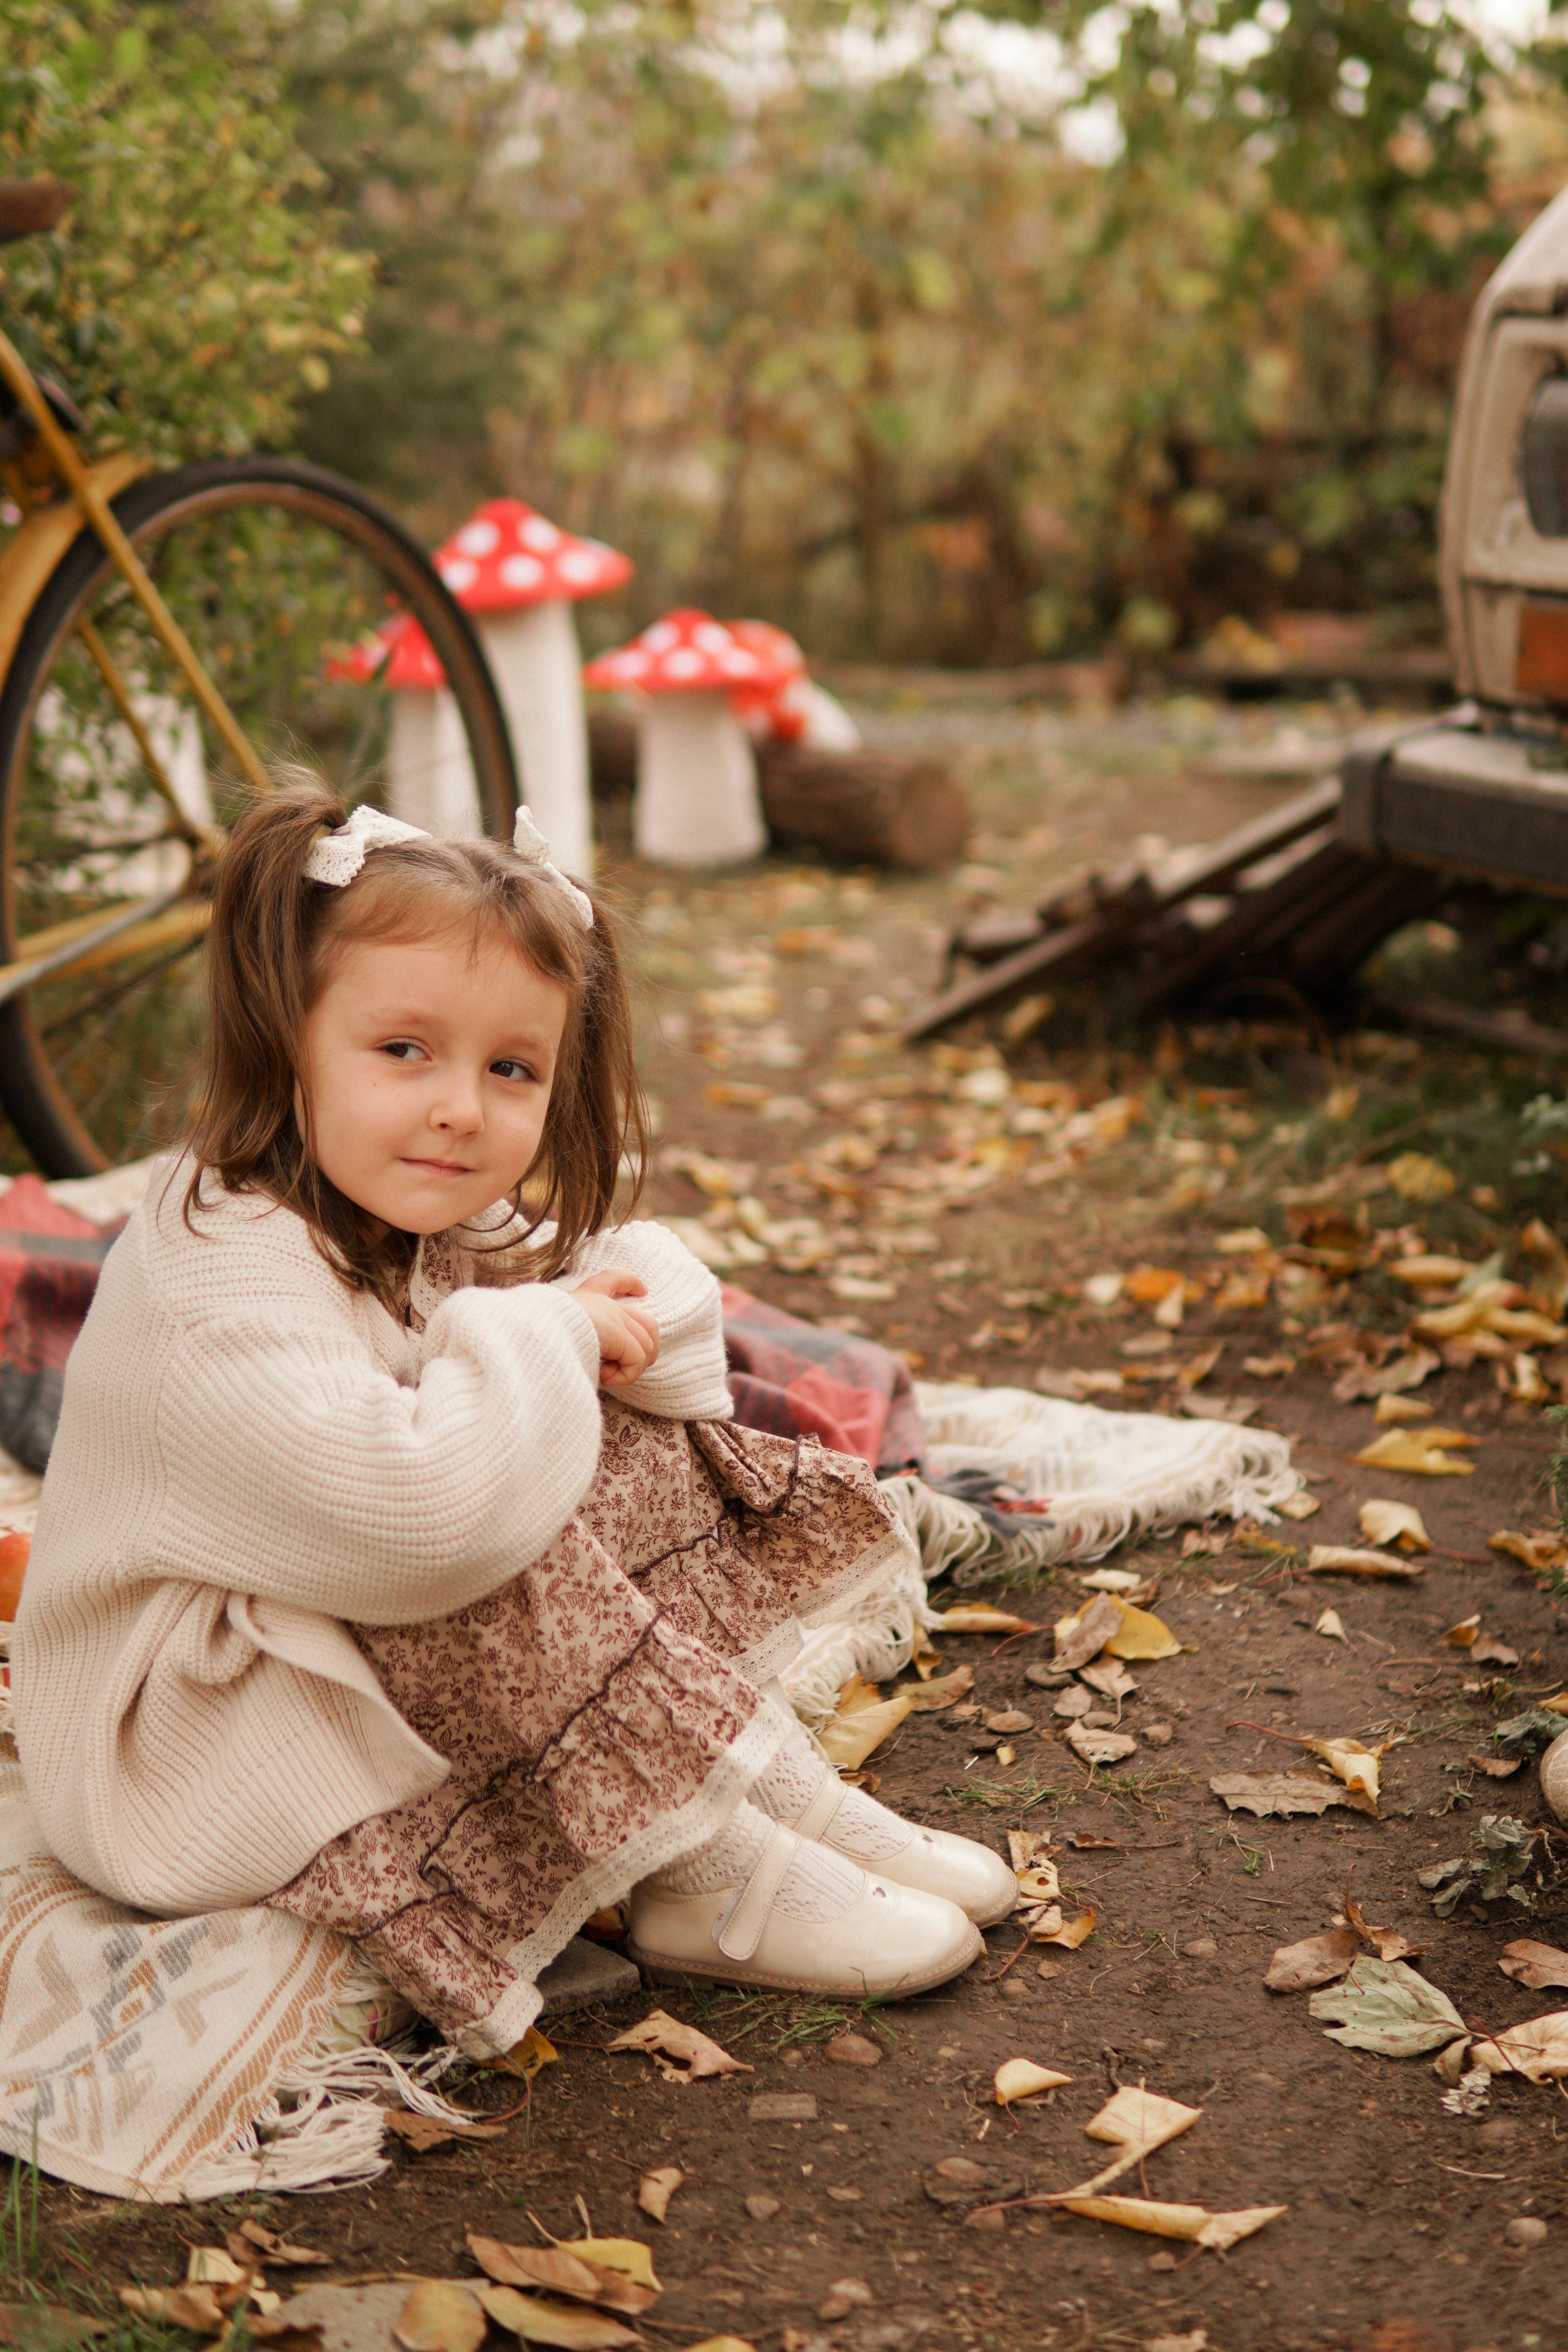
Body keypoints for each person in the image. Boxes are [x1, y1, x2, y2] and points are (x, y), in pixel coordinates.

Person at [13, 779, 1014, 2057]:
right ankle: (693, 1874)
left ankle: (739, 1779)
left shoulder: (384, 1203)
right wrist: (545, 1332)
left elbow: (664, 1325)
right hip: (188, 1742)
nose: (459, 1108)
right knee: (494, 1488)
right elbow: (422, 1523)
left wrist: (586, 1317)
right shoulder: (223, 1275)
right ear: (288, 1037)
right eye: (403, 1052)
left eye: (509, 1069)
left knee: (594, 1412)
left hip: (296, 1633)